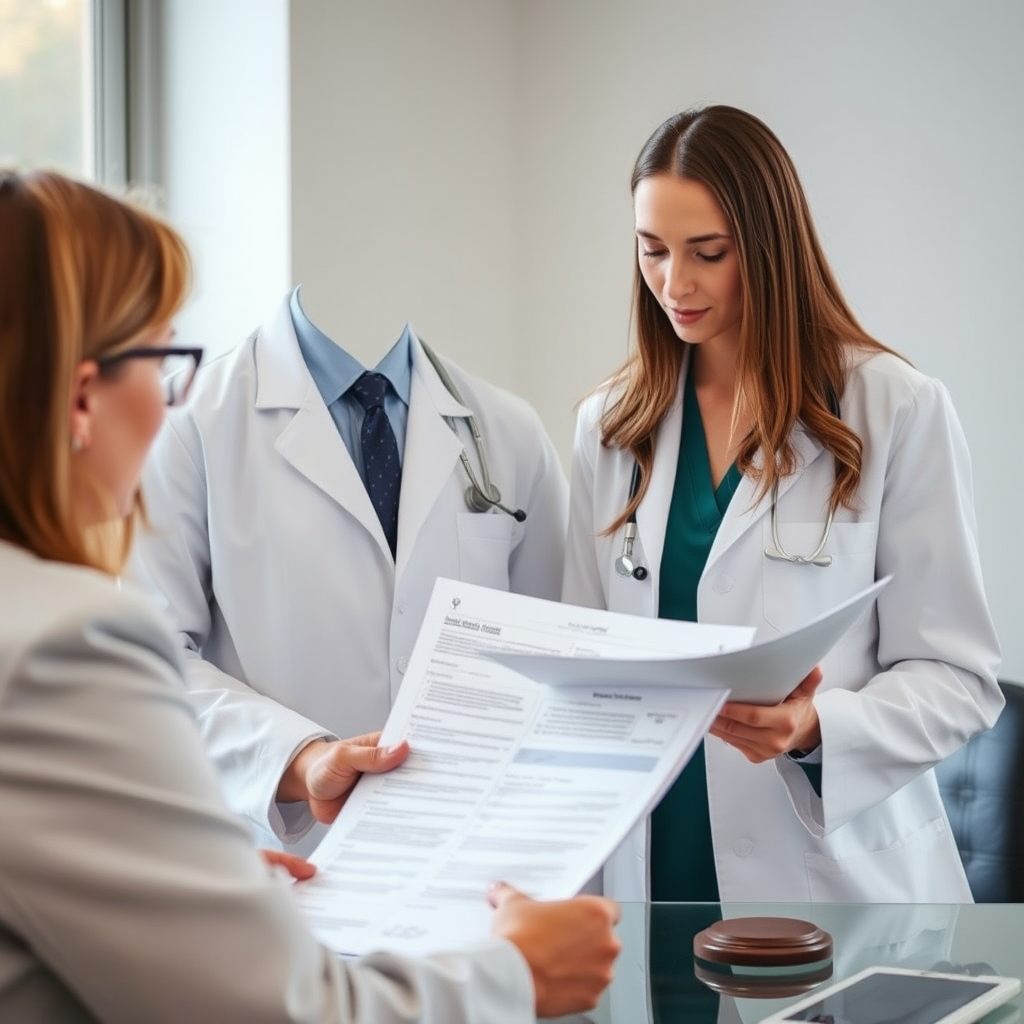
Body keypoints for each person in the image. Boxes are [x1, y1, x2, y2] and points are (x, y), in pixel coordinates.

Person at [0, 168, 620, 1023]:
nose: (168, 400)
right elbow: (276, 1007)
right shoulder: (67, 642)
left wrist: (189, 888)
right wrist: (516, 974)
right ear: (80, 396)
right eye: (161, 359)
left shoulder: (500, 426)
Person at [562, 104, 1003, 905]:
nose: (675, 283)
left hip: (835, 875)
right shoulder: (610, 428)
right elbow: (583, 654)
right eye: (652, 250)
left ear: (767, 247)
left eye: (709, 253)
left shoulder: (891, 408)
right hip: (650, 856)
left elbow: (959, 676)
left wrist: (815, 730)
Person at [131, 279, 567, 851]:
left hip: (469, 858)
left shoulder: (507, 429)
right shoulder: (188, 423)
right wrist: (300, 757)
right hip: (282, 857)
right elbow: (149, 664)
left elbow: (556, 658)